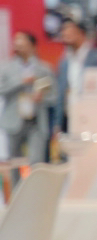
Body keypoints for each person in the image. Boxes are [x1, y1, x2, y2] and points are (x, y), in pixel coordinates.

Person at [54, 16, 97, 136]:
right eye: (63, 29)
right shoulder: (65, 61)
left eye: (68, 28)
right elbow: (61, 92)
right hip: (69, 117)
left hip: (92, 117)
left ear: (81, 32)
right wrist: (57, 123)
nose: (64, 33)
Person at [1, 33, 54, 163]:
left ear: (32, 46)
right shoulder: (6, 68)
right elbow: (2, 89)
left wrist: (42, 97)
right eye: (16, 42)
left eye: (22, 42)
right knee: (14, 162)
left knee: (36, 161)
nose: (18, 45)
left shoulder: (43, 69)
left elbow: (52, 95)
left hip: (36, 121)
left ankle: (35, 177)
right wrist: (21, 81)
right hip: (13, 121)